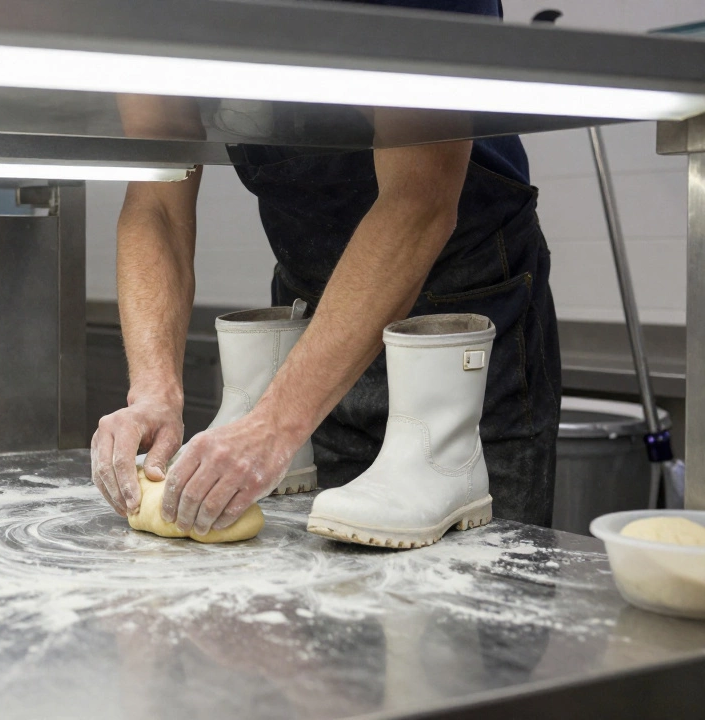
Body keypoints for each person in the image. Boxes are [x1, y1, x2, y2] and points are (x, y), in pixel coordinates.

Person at [90, 0, 561, 536]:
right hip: (314, 311)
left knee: (474, 590)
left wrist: (273, 426)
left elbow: (420, 199)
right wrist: (153, 390)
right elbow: (159, 200)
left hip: (464, 311)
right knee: (319, 577)